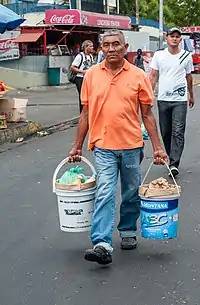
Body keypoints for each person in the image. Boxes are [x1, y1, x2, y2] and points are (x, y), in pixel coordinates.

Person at [68, 29, 167, 265]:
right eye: (107, 45)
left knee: (131, 192)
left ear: (125, 47)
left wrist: (158, 148)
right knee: (104, 191)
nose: (111, 49)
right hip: (103, 146)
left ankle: (128, 230)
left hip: (132, 145)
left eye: (116, 44)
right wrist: (76, 146)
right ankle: (101, 242)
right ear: (101, 48)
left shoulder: (138, 75)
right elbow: (86, 114)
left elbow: (147, 115)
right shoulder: (91, 75)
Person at [150, 27, 194, 177]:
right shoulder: (159, 55)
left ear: (180, 39)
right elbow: (154, 75)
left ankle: (174, 163)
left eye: (177, 36)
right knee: (166, 132)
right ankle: (170, 156)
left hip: (179, 100)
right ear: (166, 38)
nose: (174, 38)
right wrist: (149, 94)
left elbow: (189, 76)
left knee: (178, 131)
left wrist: (191, 94)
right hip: (163, 99)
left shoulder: (186, 56)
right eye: (172, 36)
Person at [71, 40, 94, 113]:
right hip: (80, 78)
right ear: (85, 47)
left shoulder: (90, 56)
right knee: (82, 96)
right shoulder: (80, 56)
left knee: (89, 95)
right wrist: (83, 72)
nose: (92, 48)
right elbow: (72, 67)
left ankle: (88, 112)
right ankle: (82, 113)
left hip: (88, 78)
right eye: (90, 46)